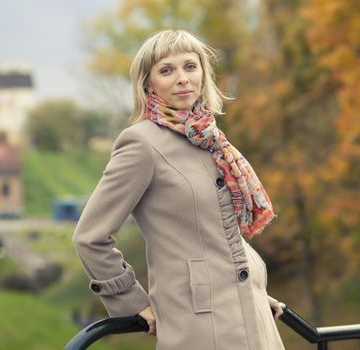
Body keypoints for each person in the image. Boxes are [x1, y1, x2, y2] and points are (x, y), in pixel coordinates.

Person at [72, 29, 285, 350]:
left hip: (253, 314)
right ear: (148, 84)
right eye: (167, 70)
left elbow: (216, 230)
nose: (182, 78)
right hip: (199, 324)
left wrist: (252, 290)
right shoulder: (141, 143)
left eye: (190, 66)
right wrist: (131, 302)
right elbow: (90, 237)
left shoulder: (210, 138)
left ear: (203, 73)